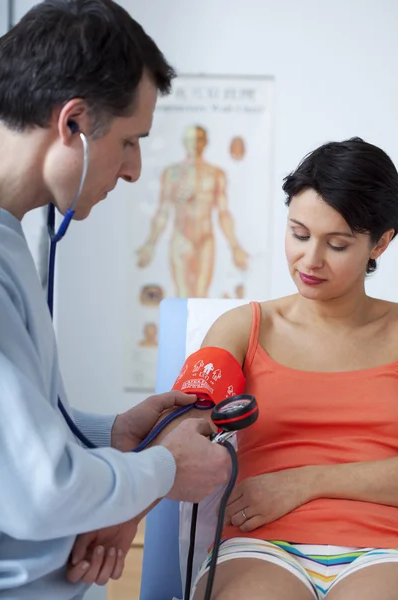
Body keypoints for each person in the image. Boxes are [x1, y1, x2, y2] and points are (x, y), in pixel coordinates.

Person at [0, 1, 231, 598]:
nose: (134, 170)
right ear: (72, 123)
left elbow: (20, 436)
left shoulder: (12, 239)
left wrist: (112, 432)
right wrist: (166, 469)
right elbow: (39, 493)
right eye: (130, 141)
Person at [160, 138, 398, 600]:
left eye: (338, 244)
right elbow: (185, 430)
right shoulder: (243, 328)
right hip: (259, 545)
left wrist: (304, 482)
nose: (310, 260)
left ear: (381, 243)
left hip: (384, 547)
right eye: (299, 233)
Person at [136, 125, 249, 297]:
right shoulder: (172, 173)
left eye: (199, 139)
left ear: (206, 142)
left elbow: (223, 213)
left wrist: (235, 246)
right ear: (184, 142)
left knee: (202, 294)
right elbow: (163, 211)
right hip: (181, 238)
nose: (195, 144)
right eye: (190, 139)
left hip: (205, 239)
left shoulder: (216, 174)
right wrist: (150, 244)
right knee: (182, 293)